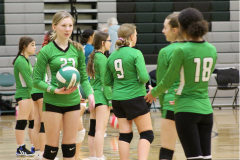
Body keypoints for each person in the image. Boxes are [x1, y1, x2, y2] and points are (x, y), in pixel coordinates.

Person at [145, 8, 217, 160]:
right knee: (206, 157)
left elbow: (166, 81)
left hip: (184, 107)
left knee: (170, 151)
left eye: (165, 28)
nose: (163, 31)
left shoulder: (180, 50)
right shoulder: (212, 49)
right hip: (206, 108)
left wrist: (153, 93)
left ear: (181, 28)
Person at [33, 11, 95, 160]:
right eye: (63, 26)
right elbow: (36, 80)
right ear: (54, 27)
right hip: (53, 102)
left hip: (73, 101)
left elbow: (84, 78)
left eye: (70, 26)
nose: (67, 29)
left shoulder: (78, 49)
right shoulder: (46, 51)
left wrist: (90, 94)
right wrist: (55, 90)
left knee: (69, 149)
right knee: (51, 150)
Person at [104, 23, 154, 160]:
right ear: (132, 37)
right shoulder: (136, 53)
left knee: (125, 135)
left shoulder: (112, 56)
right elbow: (144, 77)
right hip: (135, 97)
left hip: (118, 99)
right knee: (147, 134)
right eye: (136, 35)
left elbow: (107, 81)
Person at [154, 13, 184, 160]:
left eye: (165, 27)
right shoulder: (199, 48)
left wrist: (163, 106)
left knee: (166, 151)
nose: (162, 31)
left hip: (172, 103)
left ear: (175, 30)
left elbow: (162, 83)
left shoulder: (166, 52)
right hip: (195, 104)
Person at [86, 31, 112, 160]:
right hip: (101, 96)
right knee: (100, 130)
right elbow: (105, 82)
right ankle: (100, 157)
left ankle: (93, 157)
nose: (111, 43)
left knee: (93, 129)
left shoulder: (93, 57)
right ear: (103, 43)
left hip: (93, 95)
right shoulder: (102, 58)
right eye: (109, 40)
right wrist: (111, 100)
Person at [13, 36, 36, 156]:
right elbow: (28, 81)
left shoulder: (25, 60)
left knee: (32, 121)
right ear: (24, 47)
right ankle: (20, 148)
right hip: (23, 95)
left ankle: (34, 146)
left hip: (28, 94)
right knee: (22, 122)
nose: (35, 47)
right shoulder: (21, 61)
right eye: (32, 45)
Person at [32, 30, 52, 159]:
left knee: (36, 122)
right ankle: (43, 152)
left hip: (34, 90)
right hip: (43, 89)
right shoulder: (49, 52)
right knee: (44, 123)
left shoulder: (40, 52)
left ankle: (37, 151)